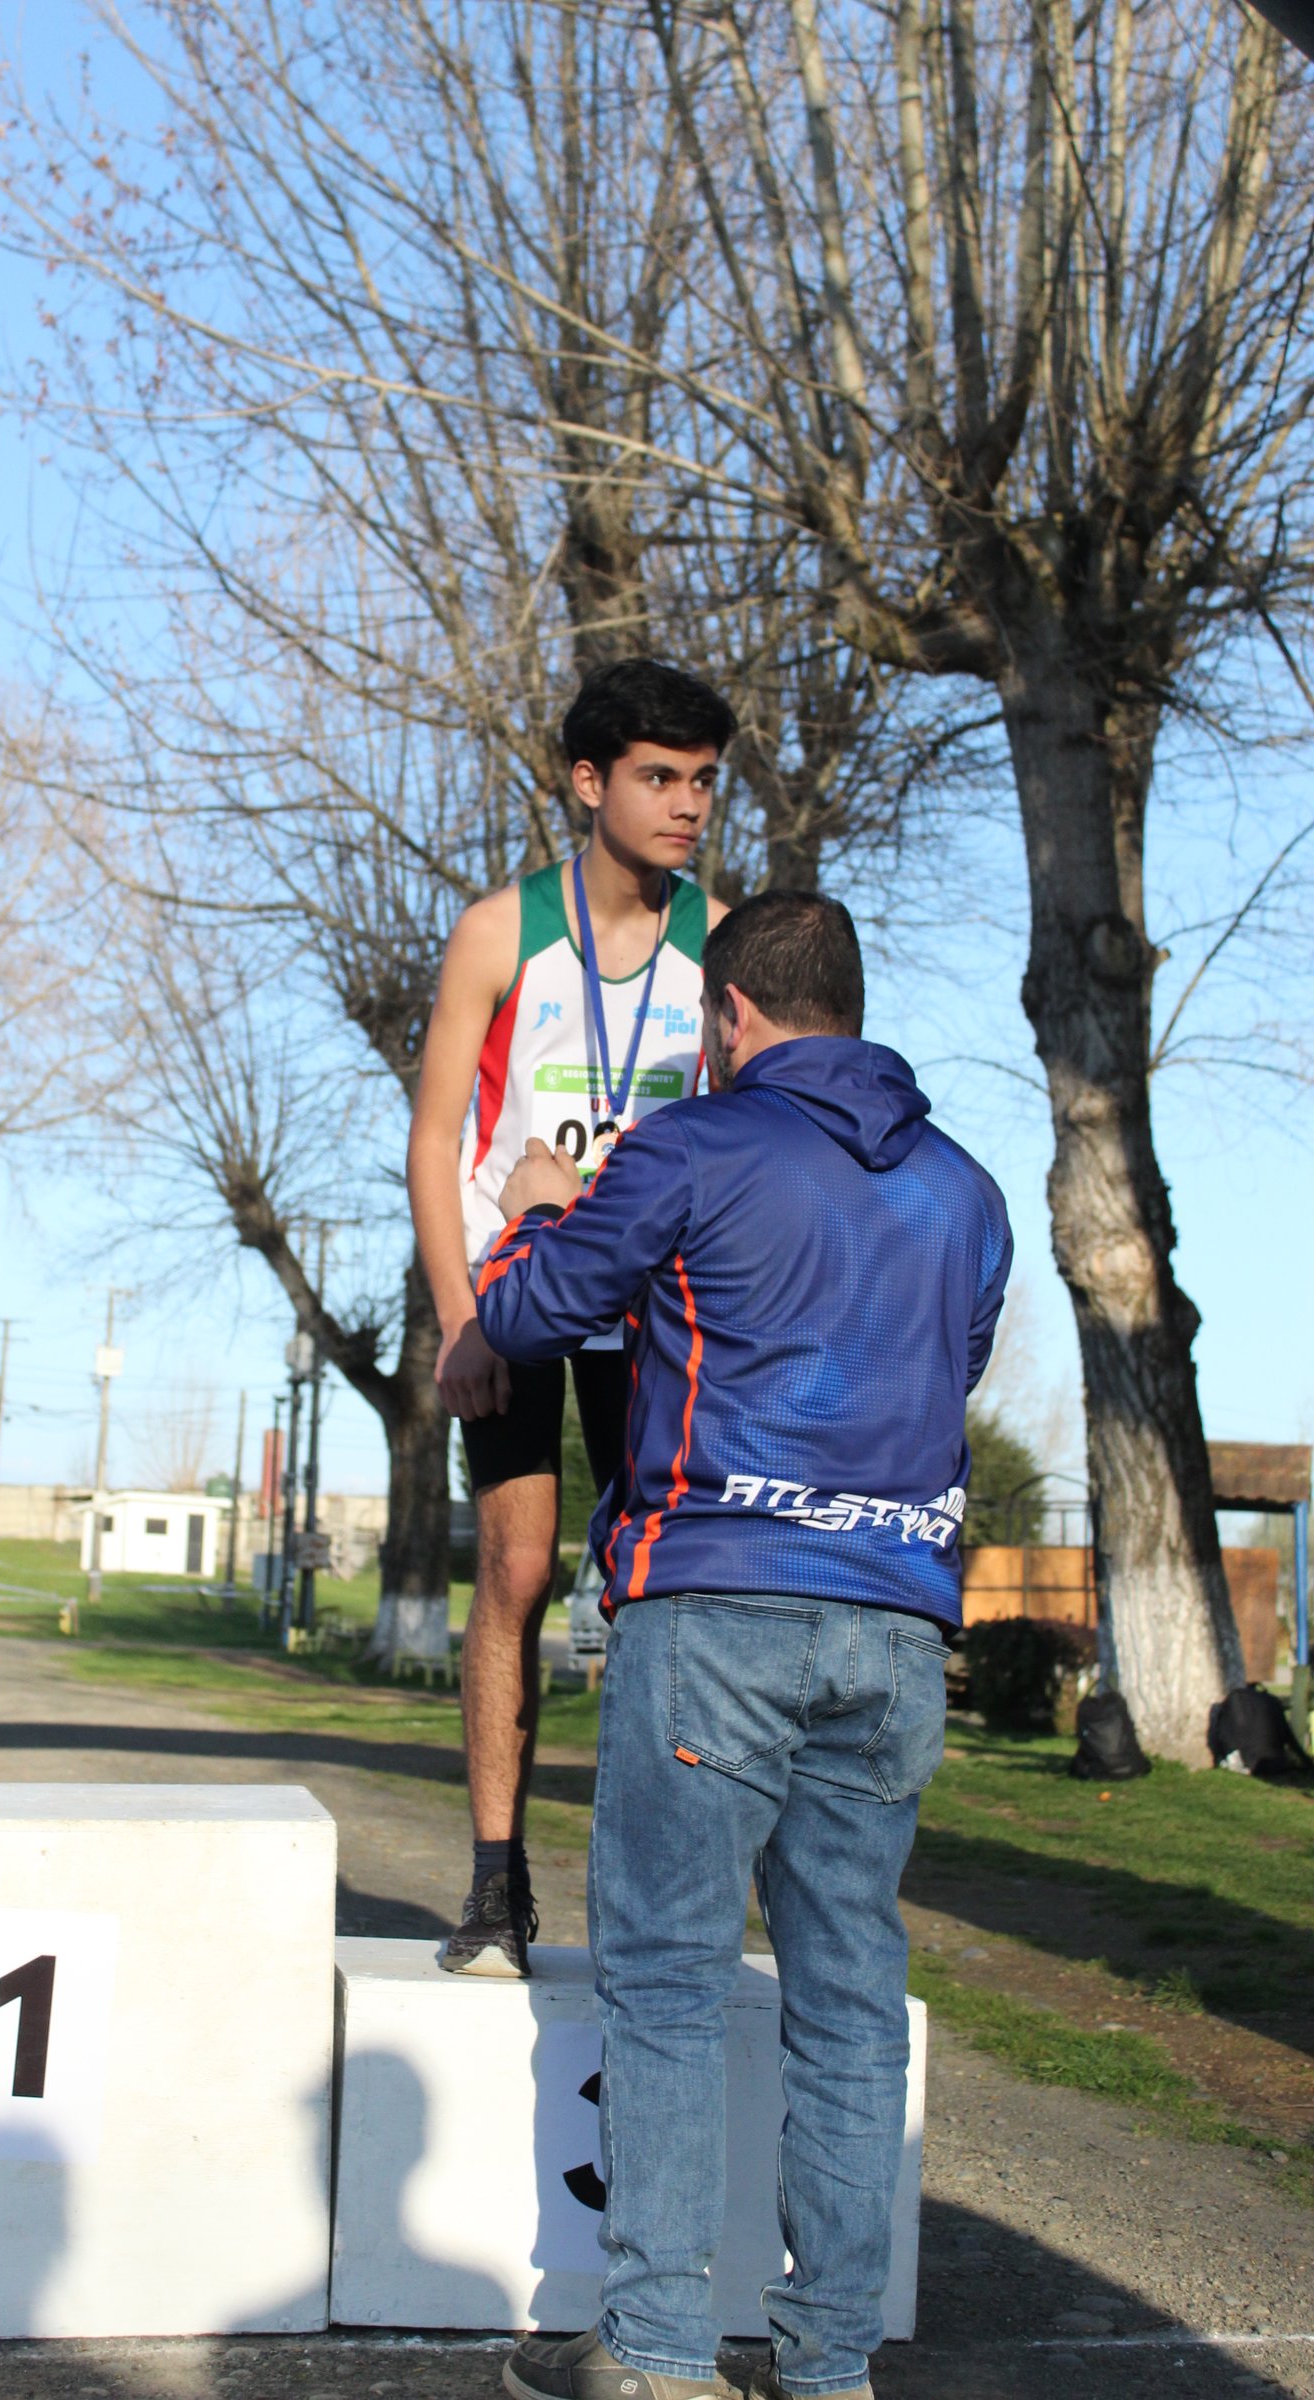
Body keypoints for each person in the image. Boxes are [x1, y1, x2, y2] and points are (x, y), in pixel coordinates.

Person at [476, 891, 1012, 2400]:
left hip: (716, 1605)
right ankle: (828, 2365)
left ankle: (652, 2350)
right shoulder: (970, 1194)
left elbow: (535, 1315)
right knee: (847, 1994)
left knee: (667, 1980)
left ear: (731, 1017)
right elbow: (948, 1368)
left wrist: (533, 1203)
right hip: (896, 1626)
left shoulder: (694, 1146)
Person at [407, 658, 735, 1977]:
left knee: (654, 1596)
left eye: (705, 781)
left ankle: (654, 1895)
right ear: (590, 782)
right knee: (517, 1571)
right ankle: (496, 1886)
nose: (688, 806)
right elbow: (435, 1141)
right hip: (514, 1296)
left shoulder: (722, 941)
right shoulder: (500, 934)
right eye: (660, 777)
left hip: (652, 1315)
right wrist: (458, 1317)